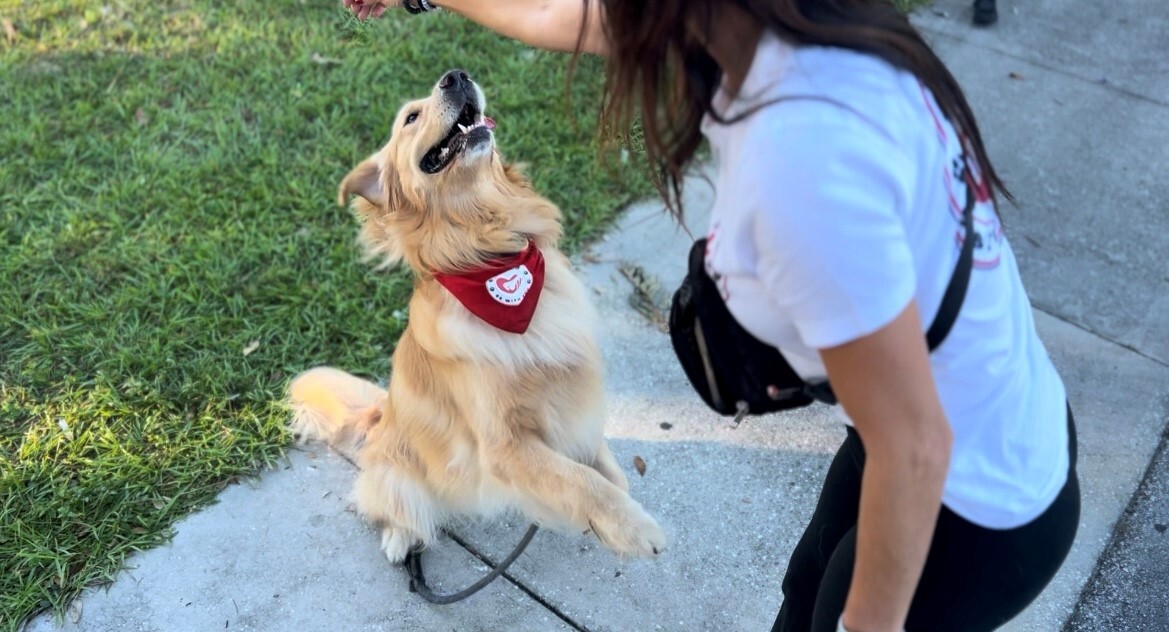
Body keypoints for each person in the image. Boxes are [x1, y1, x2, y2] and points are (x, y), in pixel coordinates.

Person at [341, 1, 1078, 630]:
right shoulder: (795, 30)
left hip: (972, 501)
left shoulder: (802, 163)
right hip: (960, 431)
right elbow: (550, 11)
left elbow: (916, 445)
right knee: (804, 591)